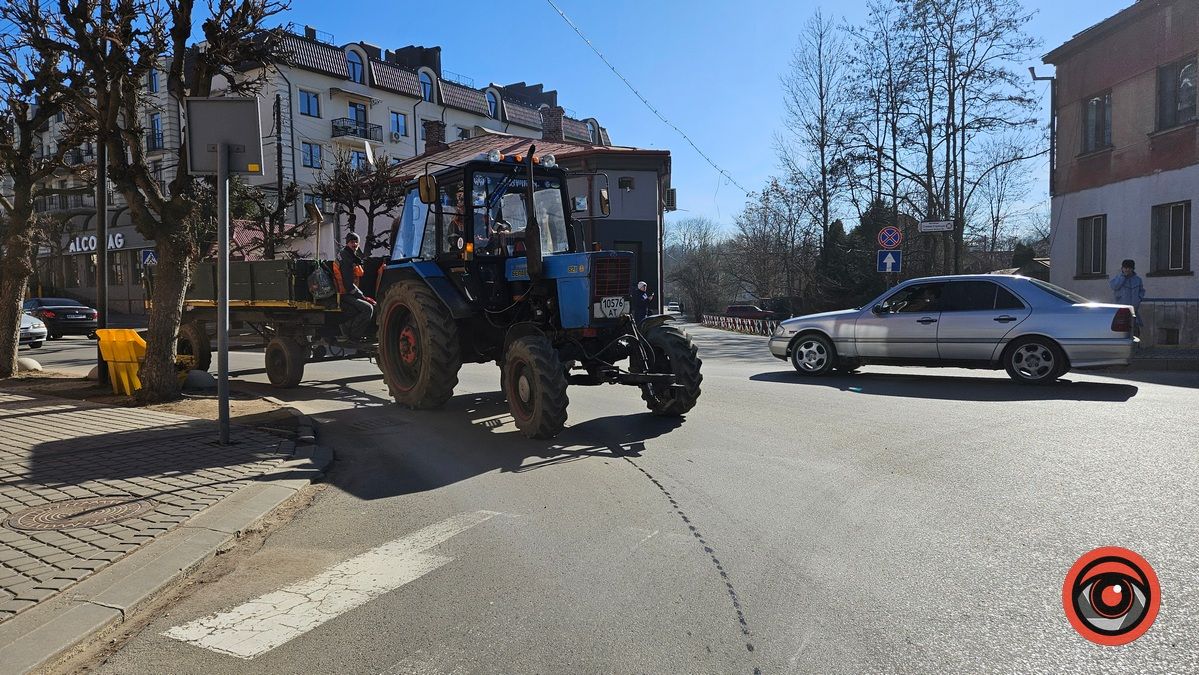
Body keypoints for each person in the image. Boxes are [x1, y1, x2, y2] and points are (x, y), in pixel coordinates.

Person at [333, 231, 374, 341]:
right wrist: (362, 296)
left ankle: (348, 331)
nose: (354, 244)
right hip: (344, 293)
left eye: (356, 242)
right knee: (368, 308)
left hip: (348, 292)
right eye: (351, 242)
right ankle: (353, 337)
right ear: (347, 243)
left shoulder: (351, 256)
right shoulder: (346, 258)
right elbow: (348, 284)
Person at [1110, 258, 1146, 335]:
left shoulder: (1138, 279)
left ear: (1133, 269)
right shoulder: (1118, 278)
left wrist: (1139, 298)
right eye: (1125, 268)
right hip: (1121, 310)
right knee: (1123, 332)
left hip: (1134, 310)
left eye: (1129, 268)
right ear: (1122, 268)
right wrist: (1123, 277)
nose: (1127, 270)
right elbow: (1114, 286)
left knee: (1135, 332)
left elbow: (1142, 291)